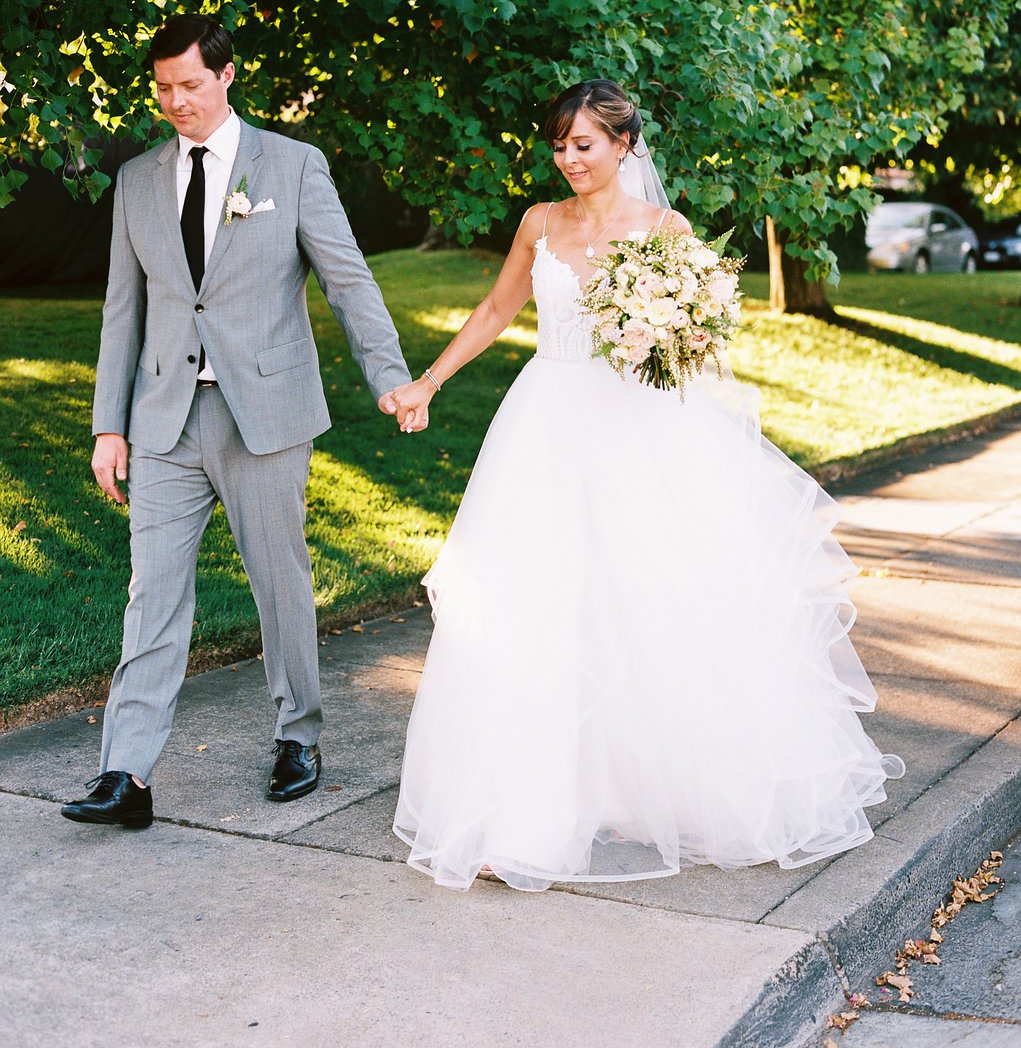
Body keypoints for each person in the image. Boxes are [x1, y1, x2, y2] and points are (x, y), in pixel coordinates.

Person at [382, 78, 904, 892]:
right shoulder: (539, 223)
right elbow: (493, 311)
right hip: (546, 425)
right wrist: (427, 383)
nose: (568, 160)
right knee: (534, 609)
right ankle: (529, 816)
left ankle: (647, 789)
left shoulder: (665, 229)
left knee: (643, 604)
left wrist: (659, 335)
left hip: (638, 430)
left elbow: (699, 342)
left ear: (625, 146)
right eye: (558, 146)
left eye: (583, 145)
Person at [62, 14, 417, 830]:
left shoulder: (291, 166)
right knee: (151, 593)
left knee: (278, 582)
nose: (176, 102)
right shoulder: (137, 180)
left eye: (190, 85)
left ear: (227, 77)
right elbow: (124, 311)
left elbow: (348, 281)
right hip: (163, 421)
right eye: (162, 89)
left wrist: (390, 377)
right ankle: (126, 772)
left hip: (266, 412)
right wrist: (106, 426)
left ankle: (299, 735)